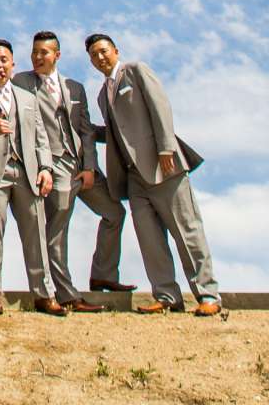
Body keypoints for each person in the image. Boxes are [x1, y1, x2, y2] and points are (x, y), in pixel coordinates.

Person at [86, 32, 220, 316]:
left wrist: (166, 149)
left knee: (187, 232)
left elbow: (160, 106)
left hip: (164, 166)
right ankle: (167, 296)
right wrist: (82, 128)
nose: (99, 57)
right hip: (133, 178)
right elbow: (116, 133)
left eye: (103, 51)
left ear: (115, 50)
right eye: (94, 55)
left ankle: (208, 295)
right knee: (150, 241)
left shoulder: (136, 71)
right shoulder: (102, 94)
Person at [13, 29, 131, 308]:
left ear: (57, 55)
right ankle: (66, 295)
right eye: (34, 53)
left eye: (44, 52)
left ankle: (103, 275)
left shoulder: (75, 87)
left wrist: (89, 166)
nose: (38, 57)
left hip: (82, 167)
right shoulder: (22, 83)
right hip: (53, 167)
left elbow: (86, 130)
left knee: (115, 212)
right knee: (56, 233)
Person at [0, 37, 60, 315]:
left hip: (27, 174)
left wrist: (46, 169)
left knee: (36, 235)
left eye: (4, 60)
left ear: (13, 65)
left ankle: (44, 295)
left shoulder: (28, 98)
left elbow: (41, 137)